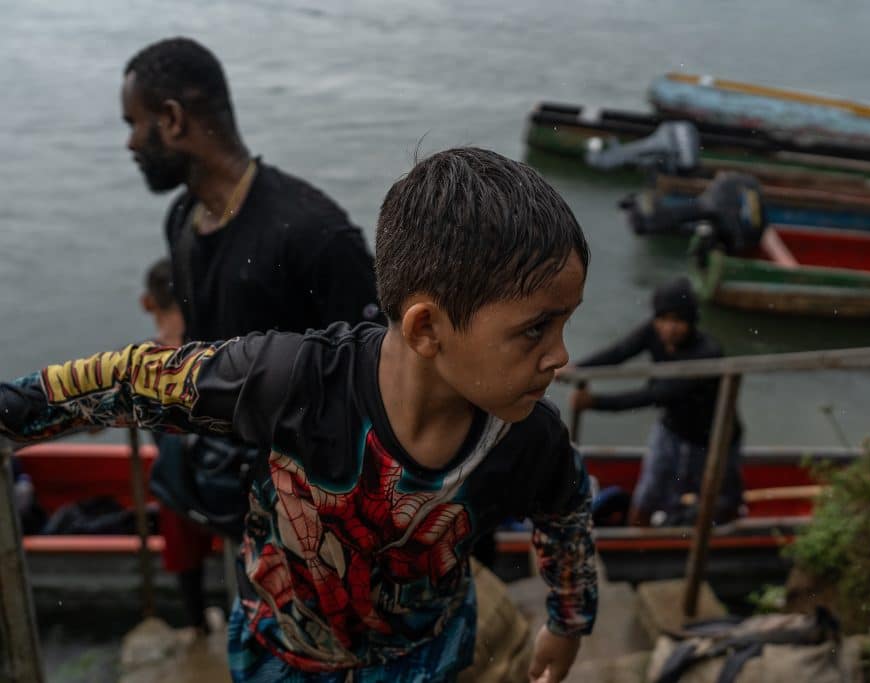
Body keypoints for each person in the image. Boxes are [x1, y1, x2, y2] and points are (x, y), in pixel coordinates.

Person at [0, 148, 597, 682]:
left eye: (564, 323)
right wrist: (11, 414)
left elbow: (565, 510)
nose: (560, 357)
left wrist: (568, 622)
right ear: (426, 328)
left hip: (428, 656)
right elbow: (130, 380)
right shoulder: (294, 383)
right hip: (279, 654)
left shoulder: (528, 439)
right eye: (537, 329)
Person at [121, 36, 380, 341]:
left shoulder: (315, 235)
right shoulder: (182, 219)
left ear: (173, 119)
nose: (131, 143)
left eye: (133, 123)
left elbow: (378, 368)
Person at [567, 276, 745, 527]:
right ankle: (634, 541)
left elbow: (655, 395)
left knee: (720, 501)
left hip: (714, 441)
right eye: (663, 319)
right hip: (671, 430)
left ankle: (720, 537)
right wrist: (578, 368)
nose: (669, 328)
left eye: (678, 320)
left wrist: (595, 402)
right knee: (648, 493)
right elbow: (619, 352)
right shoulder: (653, 332)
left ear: (692, 321)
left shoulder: (707, 354)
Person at [141, 257, 218, 635]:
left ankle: (198, 626)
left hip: (176, 485)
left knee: (186, 563)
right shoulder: (213, 348)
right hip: (222, 473)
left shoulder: (143, 363)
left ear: (147, 303)